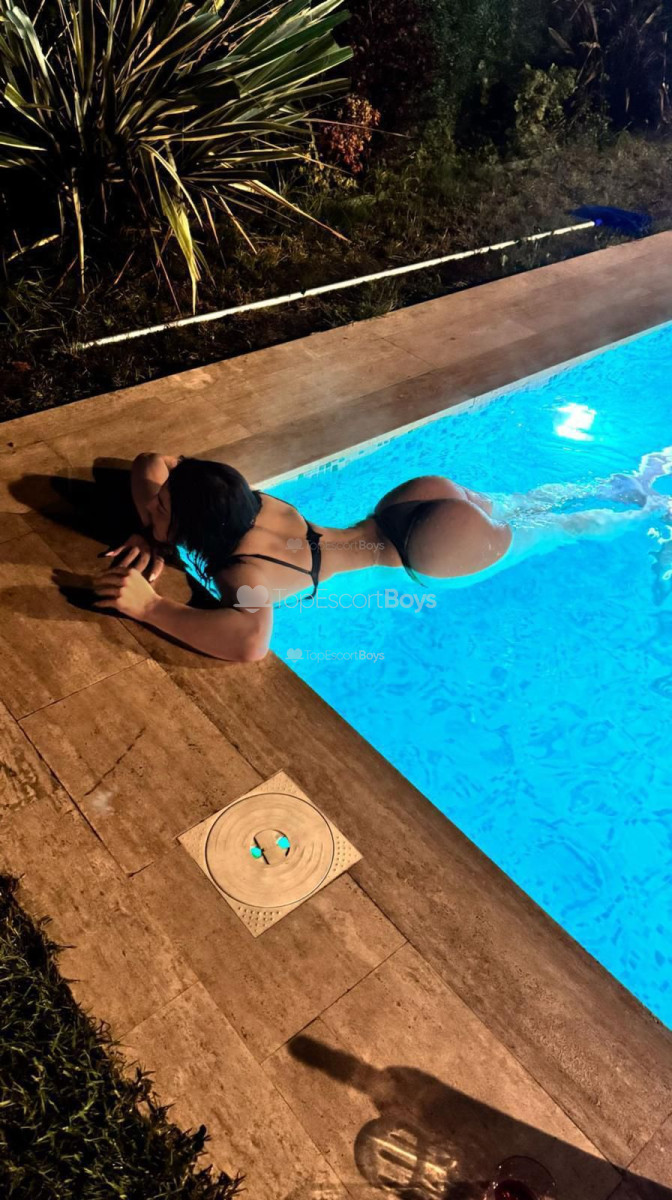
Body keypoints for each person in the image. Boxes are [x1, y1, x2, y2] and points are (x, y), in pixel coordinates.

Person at [90, 449, 672, 661]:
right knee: (529, 506)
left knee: (561, 530)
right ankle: (626, 483)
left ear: (194, 526)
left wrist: (150, 607)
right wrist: (154, 531)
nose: (151, 502)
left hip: (428, 552)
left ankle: (648, 511)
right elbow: (152, 462)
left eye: (161, 507)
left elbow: (249, 643)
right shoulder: (247, 502)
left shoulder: (242, 571)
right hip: (408, 503)